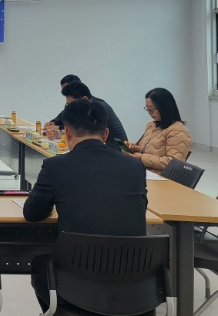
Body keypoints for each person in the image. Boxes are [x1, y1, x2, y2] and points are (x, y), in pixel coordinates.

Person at [23, 99, 147, 312]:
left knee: (40, 264)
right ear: (106, 134)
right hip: (135, 283)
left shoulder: (55, 166)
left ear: (68, 133)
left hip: (76, 281)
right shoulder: (135, 166)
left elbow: (32, 214)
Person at [126, 87, 191, 172]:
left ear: (164, 107)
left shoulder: (178, 131)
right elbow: (148, 150)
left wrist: (142, 158)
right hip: (144, 169)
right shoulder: (151, 125)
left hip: (160, 175)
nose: (150, 112)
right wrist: (134, 148)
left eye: (152, 109)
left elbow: (173, 163)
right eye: (147, 109)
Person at [51, 81, 128, 150]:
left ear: (84, 99)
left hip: (116, 149)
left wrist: (59, 129)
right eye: (68, 105)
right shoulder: (90, 106)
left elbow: (80, 129)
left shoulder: (97, 109)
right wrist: (55, 126)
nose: (70, 108)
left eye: (72, 105)